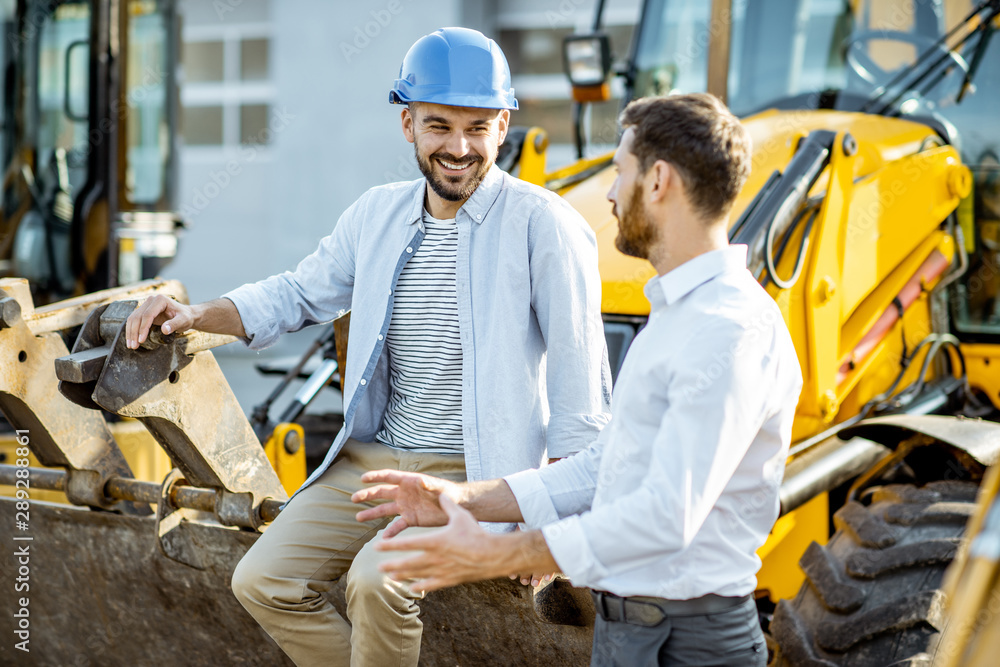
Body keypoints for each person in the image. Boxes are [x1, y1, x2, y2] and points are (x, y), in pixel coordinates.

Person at [123, 27, 611, 667]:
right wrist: (193, 315)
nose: (459, 148)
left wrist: (547, 527)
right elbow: (297, 295)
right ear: (407, 123)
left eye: (479, 127)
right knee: (262, 581)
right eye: (439, 126)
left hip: (475, 472)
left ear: (503, 125)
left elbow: (582, 405)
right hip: (373, 459)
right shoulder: (376, 215)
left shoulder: (545, 226)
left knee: (374, 583)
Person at [352, 93, 804, 667]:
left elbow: (663, 517)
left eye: (621, 172)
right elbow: (602, 468)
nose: (611, 194)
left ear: (659, 180)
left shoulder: (730, 331)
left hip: (691, 644)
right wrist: (460, 499)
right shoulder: (675, 318)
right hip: (630, 632)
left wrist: (494, 554)